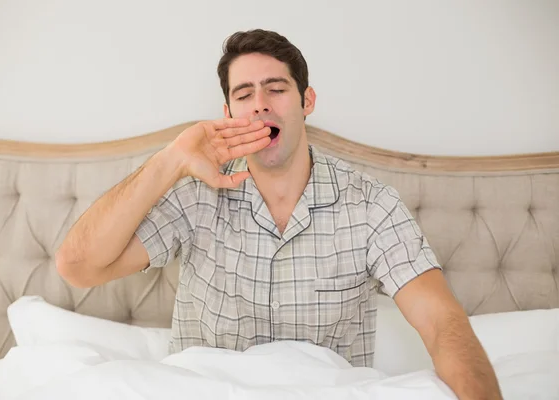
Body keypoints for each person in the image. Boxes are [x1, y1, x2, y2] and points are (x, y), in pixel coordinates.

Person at [56, 29, 503, 399]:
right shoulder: (195, 197)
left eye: (276, 88)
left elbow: (442, 322)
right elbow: (77, 267)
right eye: (244, 94)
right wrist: (170, 159)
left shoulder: (370, 205)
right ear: (228, 113)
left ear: (307, 100)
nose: (261, 104)